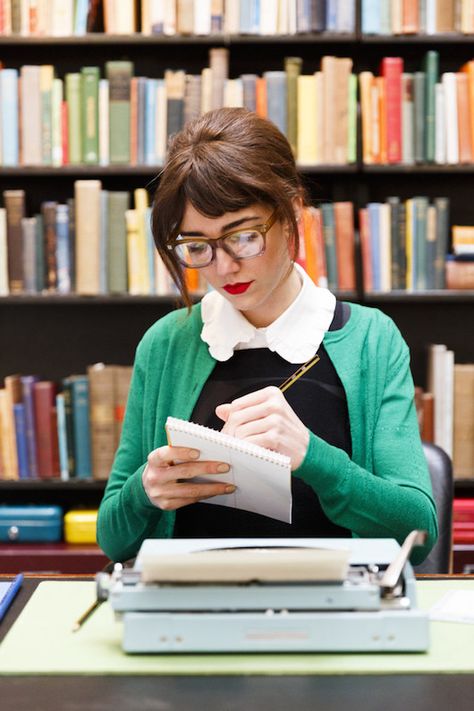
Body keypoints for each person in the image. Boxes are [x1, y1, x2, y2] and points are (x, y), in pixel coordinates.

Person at [96, 107, 438, 565]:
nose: (224, 267)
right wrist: (143, 490)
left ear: (292, 212)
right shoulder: (166, 344)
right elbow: (113, 541)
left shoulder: (371, 340)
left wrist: (315, 458)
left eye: (243, 236)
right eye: (197, 246)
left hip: (334, 606)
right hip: (194, 608)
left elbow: (418, 533)